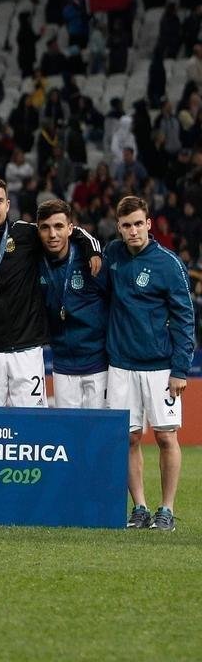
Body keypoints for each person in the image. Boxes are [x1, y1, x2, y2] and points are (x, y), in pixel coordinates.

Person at [0, 176, 101, 407]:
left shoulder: (26, 234)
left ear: (7, 205)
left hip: (27, 350)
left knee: (32, 423)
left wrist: (93, 250)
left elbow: (65, 230)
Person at [105, 196, 193, 531]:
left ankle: (166, 509)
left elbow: (185, 318)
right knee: (128, 439)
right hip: (120, 365)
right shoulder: (113, 254)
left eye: (138, 224)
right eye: (127, 225)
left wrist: (180, 369)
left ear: (149, 224)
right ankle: (139, 508)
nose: (133, 231)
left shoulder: (168, 264)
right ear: (119, 228)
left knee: (166, 437)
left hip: (160, 367)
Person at [34, 200, 109, 409]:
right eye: (45, 228)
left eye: (59, 226)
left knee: (99, 428)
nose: (52, 234)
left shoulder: (91, 261)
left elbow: (114, 301)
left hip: (98, 363)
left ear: (70, 229)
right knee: (68, 429)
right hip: (62, 365)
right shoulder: (34, 261)